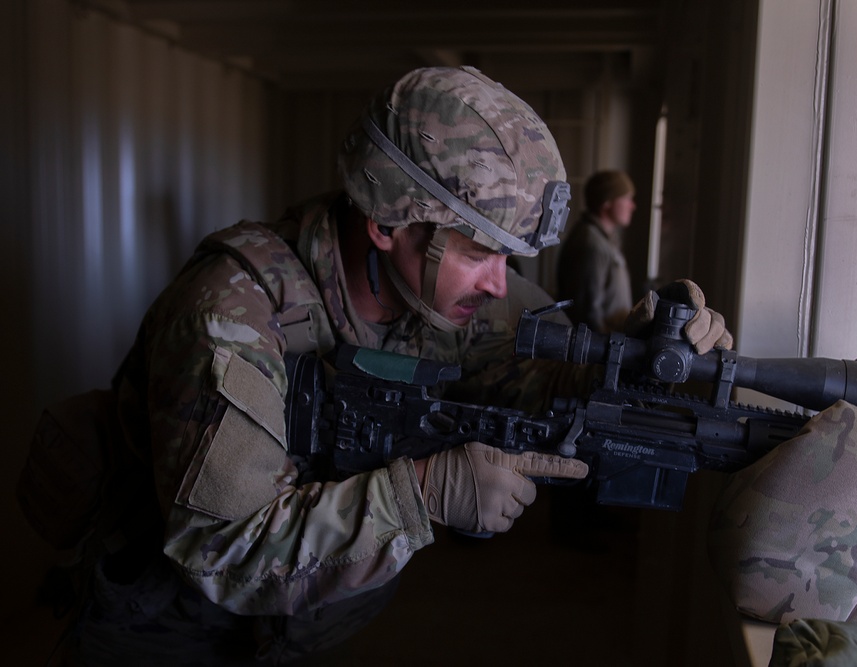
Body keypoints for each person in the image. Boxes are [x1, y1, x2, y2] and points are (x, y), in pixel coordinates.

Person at [63, 66, 730, 665]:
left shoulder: (446, 294)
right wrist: (419, 492)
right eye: (478, 252)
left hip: (297, 630)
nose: (502, 284)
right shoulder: (230, 313)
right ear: (387, 223)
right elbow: (224, 549)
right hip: (164, 636)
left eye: (509, 257)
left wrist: (635, 354)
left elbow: (540, 386)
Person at [556, 169, 637, 333]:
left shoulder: (602, 239)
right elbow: (588, 312)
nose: (632, 206)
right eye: (627, 199)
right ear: (606, 202)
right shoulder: (591, 244)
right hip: (599, 348)